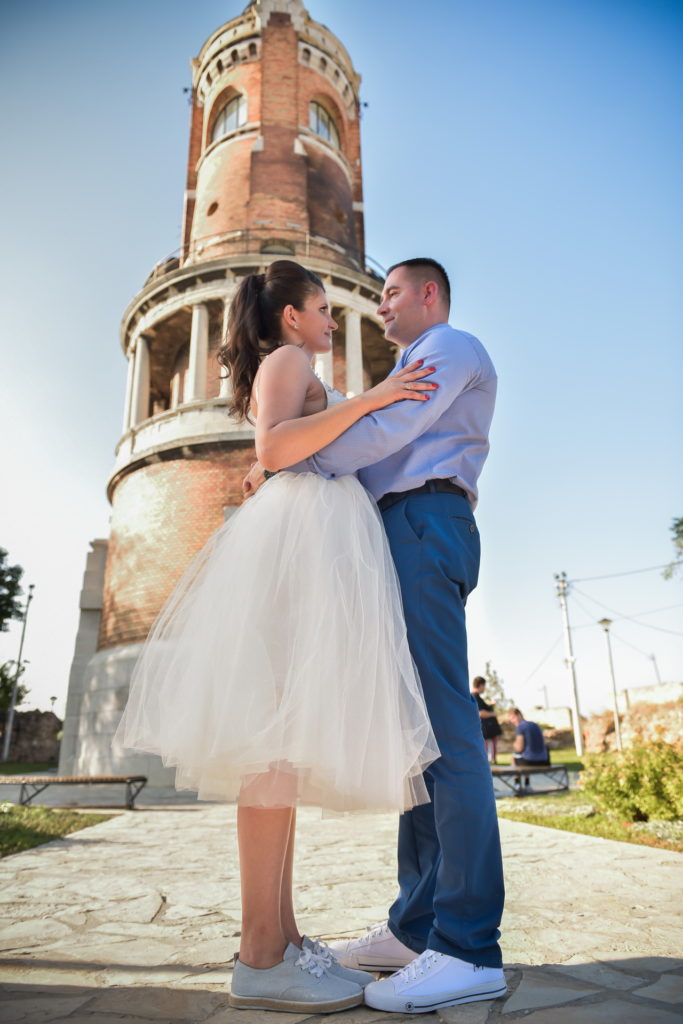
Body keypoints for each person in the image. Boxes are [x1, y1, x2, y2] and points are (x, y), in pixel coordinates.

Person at [114, 260, 440, 1014]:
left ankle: (285, 941)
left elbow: (284, 453)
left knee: (282, 747)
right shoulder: (288, 358)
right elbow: (272, 447)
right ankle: (261, 953)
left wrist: (354, 411)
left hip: (310, 537)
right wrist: (378, 398)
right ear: (290, 317)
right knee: (273, 745)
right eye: (323, 309)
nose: (332, 322)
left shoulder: (288, 362)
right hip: (302, 545)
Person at [255, 257, 508, 1012]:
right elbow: (368, 453)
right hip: (393, 528)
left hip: (425, 523)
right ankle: (415, 924)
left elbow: (383, 433)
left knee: (443, 727)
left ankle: (468, 945)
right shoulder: (403, 366)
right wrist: (290, 458)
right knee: (414, 734)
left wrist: (288, 456)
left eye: (391, 292)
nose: (379, 305)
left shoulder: (448, 348)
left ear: (429, 294)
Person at [507, 707, 550, 789]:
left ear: (519, 715)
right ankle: (527, 784)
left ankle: (517, 785)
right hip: (544, 760)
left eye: (513, 718)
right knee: (524, 756)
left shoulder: (520, 727)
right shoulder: (535, 725)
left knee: (515, 757)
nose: (512, 721)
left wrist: (514, 744)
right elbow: (544, 742)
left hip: (531, 762)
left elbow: (519, 747)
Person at [471, 675, 503, 764]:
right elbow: (481, 713)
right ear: (480, 685)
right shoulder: (475, 697)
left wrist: (490, 705)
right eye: (484, 686)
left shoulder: (475, 697)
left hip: (487, 730)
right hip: (487, 731)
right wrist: (494, 713)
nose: (485, 688)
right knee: (489, 755)